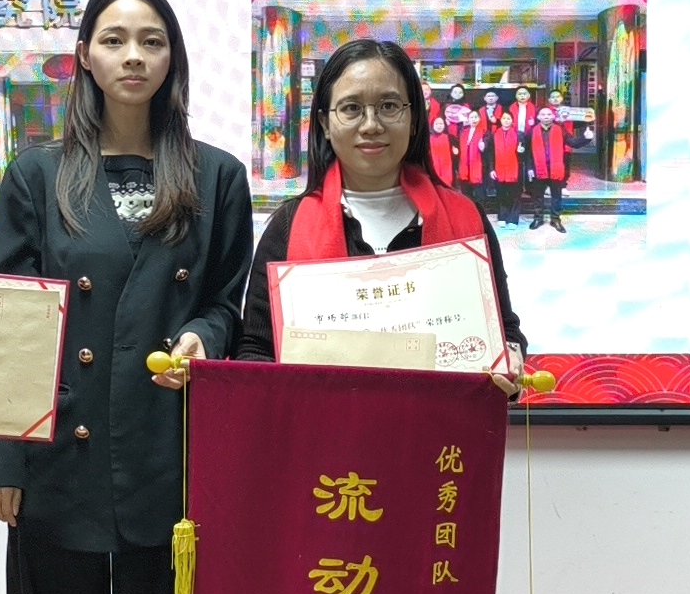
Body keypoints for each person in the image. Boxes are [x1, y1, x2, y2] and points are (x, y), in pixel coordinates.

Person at [0, 0, 253, 594]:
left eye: (152, 41)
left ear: (173, 57)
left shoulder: (218, 176)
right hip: (62, 449)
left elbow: (226, 303)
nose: (134, 56)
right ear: (85, 56)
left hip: (170, 450)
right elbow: (9, 318)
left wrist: (205, 339)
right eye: (115, 40)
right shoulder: (37, 174)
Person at [235, 38, 527, 376]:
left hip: (442, 412)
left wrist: (510, 357)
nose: (371, 125)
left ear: (414, 118)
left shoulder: (466, 218)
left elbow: (504, 330)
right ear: (325, 124)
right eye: (351, 108)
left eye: (389, 106)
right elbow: (256, 348)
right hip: (321, 413)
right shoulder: (288, 226)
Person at [523, 104, 593, 233]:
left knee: (556, 196)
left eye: (549, 114)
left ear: (553, 116)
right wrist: (529, 168)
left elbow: (573, 143)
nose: (546, 117)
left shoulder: (560, 129)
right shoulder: (532, 131)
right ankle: (538, 218)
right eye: (543, 114)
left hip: (556, 168)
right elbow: (527, 152)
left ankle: (555, 219)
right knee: (537, 196)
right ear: (538, 117)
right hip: (538, 168)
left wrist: (585, 138)